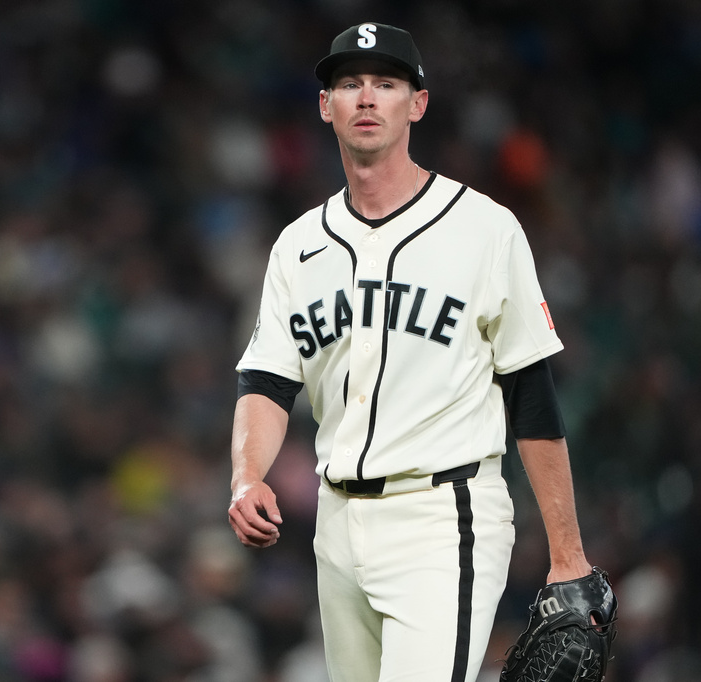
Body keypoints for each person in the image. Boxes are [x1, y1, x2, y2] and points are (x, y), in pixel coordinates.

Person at [227, 21, 593, 682]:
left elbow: (530, 392)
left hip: (443, 516)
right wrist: (247, 475)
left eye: (387, 83)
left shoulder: (484, 229)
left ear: (417, 103)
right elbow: (267, 381)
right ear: (325, 105)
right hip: (336, 524)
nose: (367, 98)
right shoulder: (298, 245)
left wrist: (567, 551)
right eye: (350, 84)